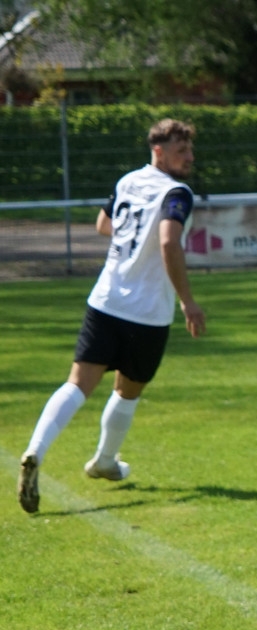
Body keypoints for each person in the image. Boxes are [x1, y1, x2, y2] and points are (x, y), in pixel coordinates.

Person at [17, 118, 206, 514]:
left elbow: (104, 224)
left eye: (190, 149)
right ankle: (104, 460)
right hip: (148, 312)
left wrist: (132, 237)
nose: (189, 157)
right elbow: (169, 242)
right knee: (128, 390)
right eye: (181, 150)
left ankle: (36, 450)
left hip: (105, 300)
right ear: (158, 151)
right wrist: (188, 301)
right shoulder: (177, 193)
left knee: (77, 384)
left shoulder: (128, 181)